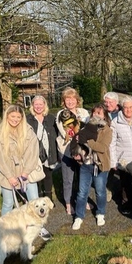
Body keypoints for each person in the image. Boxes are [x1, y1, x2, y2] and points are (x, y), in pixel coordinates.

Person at [0, 105, 50, 240]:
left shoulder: (28, 131)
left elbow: (33, 153)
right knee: (7, 203)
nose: (15, 120)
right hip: (8, 172)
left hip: (27, 172)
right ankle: (3, 229)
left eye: (18, 117)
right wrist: (10, 176)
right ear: (7, 116)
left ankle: (38, 227)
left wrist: (25, 173)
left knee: (34, 200)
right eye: (12, 116)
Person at [72, 104, 112, 230]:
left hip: (100, 165)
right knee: (82, 192)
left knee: (100, 192)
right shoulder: (85, 127)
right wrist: (76, 153)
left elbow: (102, 148)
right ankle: (79, 216)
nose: (96, 115)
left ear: (104, 116)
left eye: (99, 113)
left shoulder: (107, 130)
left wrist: (88, 141)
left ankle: (100, 213)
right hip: (85, 164)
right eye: (94, 112)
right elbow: (76, 140)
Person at [56, 87, 90, 215]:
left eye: (72, 99)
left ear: (77, 100)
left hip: (82, 150)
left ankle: (83, 200)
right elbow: (65, 132)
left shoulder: (84, 112)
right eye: (67, 99)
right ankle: (68, 203)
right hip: (67, 150)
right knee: (68, 178)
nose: (70, 102)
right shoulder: (61, 114)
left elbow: (88, 128)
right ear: (64, 101)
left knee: (83, 177)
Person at [26, 95, 58, 202]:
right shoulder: (28, 119)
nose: (38, 106)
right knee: (37, 176)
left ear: (45, 105)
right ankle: (38, 200)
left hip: (49, 151)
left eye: (41, 104)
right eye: (36, 104)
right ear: (32, 105)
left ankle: (48, 199)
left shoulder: (51, 118)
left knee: (48, 176)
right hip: (34, 153)